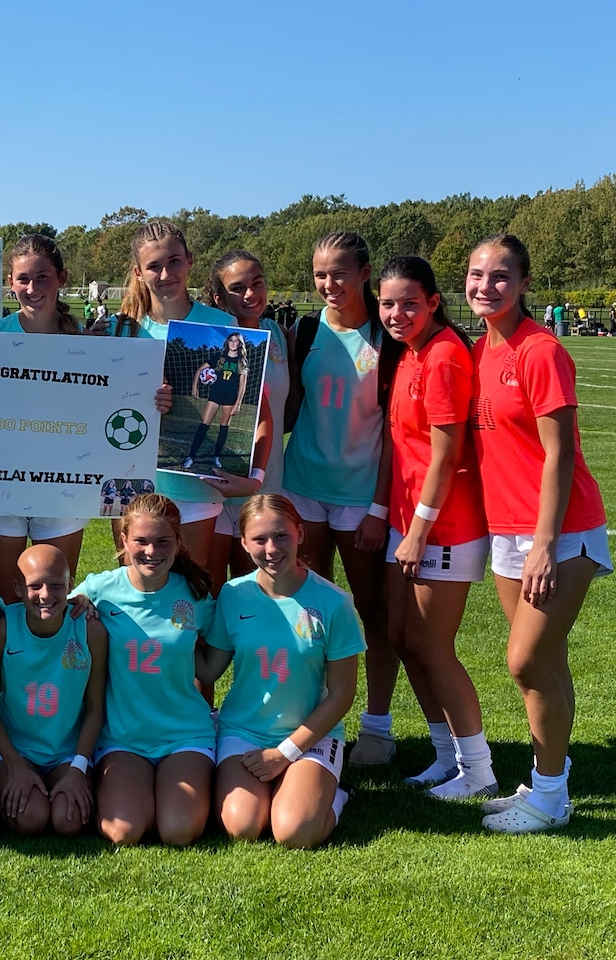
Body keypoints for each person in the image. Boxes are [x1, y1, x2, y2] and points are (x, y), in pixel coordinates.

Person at [466, 235, 612, 833]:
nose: (486, 286)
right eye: (476, 274)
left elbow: (560, 454)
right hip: (506, 530)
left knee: (525, 662)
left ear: (524, 284)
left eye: (501, 276)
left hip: (559, 530)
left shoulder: (540, 350)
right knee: (548, 663)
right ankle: (548, 783)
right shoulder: (482, 349)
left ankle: (550, 797)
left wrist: (546, 544)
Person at [376, 257, 497, 799]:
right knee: (403, 638)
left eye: (408, 303)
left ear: (432, 302)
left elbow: (446, 456)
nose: (396, 313)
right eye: (387, 303)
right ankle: (445, 753)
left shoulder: (445, 355)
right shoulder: (410, 352)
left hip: (442, 525)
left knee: (432, 646)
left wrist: (420, 529)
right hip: (410, 522)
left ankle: (478, 768)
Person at [282, 231, 398, 767]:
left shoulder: (387, 337)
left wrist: (378, 507)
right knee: (306, 611)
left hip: (359, 497)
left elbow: (398, 433)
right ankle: (309, 725)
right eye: (320, 275)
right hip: (302, 489)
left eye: (339, 274)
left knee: (370, 612)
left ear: (364, 273)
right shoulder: (304, 330)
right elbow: (289, 410)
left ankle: (377, 727)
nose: (329, 285)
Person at [197, 495, 362, 848]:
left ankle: (337, 795)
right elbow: (209, 669)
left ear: (300, 533)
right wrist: (164, 628)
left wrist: (284, 754)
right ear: (242, 543)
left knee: (295, 832)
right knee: (241, 826)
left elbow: (342, 694)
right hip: (243, 731)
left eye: (281, 536)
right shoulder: (233, 594)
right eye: (259, 539)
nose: (271, 548)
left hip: (311, 736)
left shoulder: (334, 603)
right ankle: (289, 790)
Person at [71, 493, 215, 846]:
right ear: (124, 540)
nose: (152, 551)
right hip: (123, 738)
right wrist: (80, 605)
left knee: (178, 831)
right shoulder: (99, 589)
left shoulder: (195, 594)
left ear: (178, 542)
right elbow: (54, 615)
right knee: (124, 832)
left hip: (185, 735)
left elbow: (219, 652)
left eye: (163, 541)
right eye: (141, 541)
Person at [107, 221, 251, 561]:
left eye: (173, 261)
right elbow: (101, 403)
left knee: (191, 586)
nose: (165, 273)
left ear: (189, 260)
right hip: (130, 479)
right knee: (134, 586)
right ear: (139, 273)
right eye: (153, 266)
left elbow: (231, 389)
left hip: (195, 485)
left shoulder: (223, 325)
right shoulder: (119, 328)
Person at [0, 235, 91, 598]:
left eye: (43, 277)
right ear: (9, 282)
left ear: (62, 278)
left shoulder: (89, 344)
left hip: (63, 487)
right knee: (6, 602)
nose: (32, 288)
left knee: (54, 600)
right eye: (23, 279)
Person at [0, 545, 108, 836]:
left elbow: (96, 708)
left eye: (56, 585)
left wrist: (78, 767)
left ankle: (65, 779)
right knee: (31, 819)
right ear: (18, 588)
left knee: (68, 821)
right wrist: (15, 764)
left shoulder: (90, 631)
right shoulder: (3, 629)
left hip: (66, 750)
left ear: (71, 585)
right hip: (15, 749)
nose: (46, 595)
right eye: (35, 585)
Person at [201, 250, 291, 588]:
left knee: (256, 593)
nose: (251, 294)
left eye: (257, 283)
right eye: (237, 288)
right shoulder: (209, 337)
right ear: (218, 296)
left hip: (264, 488)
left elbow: (288, 409)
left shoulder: (280, 335)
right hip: (211, 489)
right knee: (208, 591)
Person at [183, 331, 249, 471]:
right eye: (231, 340)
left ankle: (216, 457)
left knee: (223, 427)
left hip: (230, 398)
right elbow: (201, 369)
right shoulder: (219, 357)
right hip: (215, 395)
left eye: (236, 340)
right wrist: (195, 386)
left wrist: (238, 404)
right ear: (227, 342)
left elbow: (243, 385)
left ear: (239, 344)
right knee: (204, 425)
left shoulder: (241, 362)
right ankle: (191, 457)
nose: (232, 342)